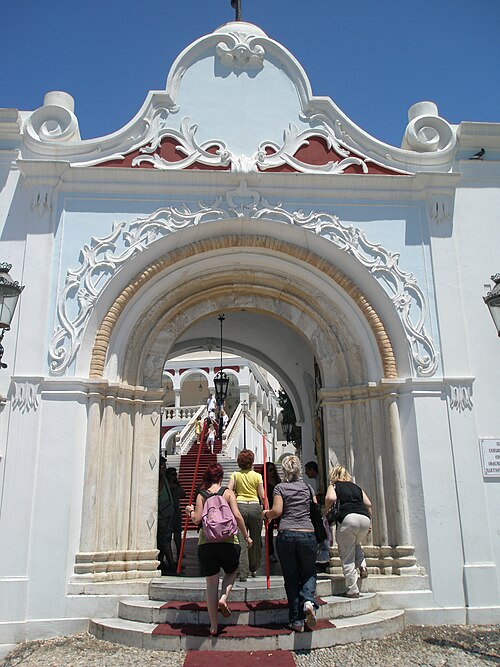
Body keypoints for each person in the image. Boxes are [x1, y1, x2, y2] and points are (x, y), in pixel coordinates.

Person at [185, 463, 253, 636]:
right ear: (221, 477)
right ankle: (224, 598)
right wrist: (246, 536)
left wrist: (189, 512)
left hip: (207, 543)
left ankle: (213, 626)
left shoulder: (202, 495)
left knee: (211, 586)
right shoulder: (228, 493)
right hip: (229, 541)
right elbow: (237, 516)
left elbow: (197, 519)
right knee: (231, 572)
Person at [263, 455, 319, 632]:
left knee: (291, 578)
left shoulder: (280, 488)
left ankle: (296, 621)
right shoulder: (307, 487)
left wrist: (266, 514)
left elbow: (277, 511)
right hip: (307, 534)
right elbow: (314, 507)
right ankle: (308, 601)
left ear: (285, 471)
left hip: (286, 534)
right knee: (309, 572)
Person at [324, 464, 372, 598]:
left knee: (347, 556)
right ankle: (362, 565)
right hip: (364, 519)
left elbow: (330, 498)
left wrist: (326, 509)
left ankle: (352, 589)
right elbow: (368, 504)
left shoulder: (334, 486)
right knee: (356, 544)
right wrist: (370, 522)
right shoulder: (356, 487)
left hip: (348, 519)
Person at [228, 450, 264, 581]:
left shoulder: (235, 475)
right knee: (255, 538)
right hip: (255, 507)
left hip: (240, 507)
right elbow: (262, 496)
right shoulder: (257, 476)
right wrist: (266, 509)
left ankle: (243, 572)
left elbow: (228, 490)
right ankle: (254, 568)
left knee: (242, 540)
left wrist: (235, 496)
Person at [157, 457, 176, 575]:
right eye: (162, 466)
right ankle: (171, 563)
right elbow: (158, 491)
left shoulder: (164, 478)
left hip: (168, 511)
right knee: (164, 540)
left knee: (165, 539)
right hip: (162, 513)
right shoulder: (159, 479)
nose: (164, 468)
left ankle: (162, 561)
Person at [166, 467, 186, 561]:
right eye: (173, 475)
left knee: (177, 532)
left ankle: (179, 550)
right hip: (168, 510)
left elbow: (183, 494)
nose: (175, 476)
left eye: (175, 474)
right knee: (168, 533)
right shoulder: (165, 485)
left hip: (176, 510)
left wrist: (177, 486)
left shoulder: (177, 485)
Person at [265, 461, 281, 563]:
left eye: (273, 470)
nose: (272, 472)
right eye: (270, 470)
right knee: (269, 533)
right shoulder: (264, 483)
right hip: (269, 509)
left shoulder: (278, 482)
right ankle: (271, 553)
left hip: (278, 509)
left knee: (281, 532)